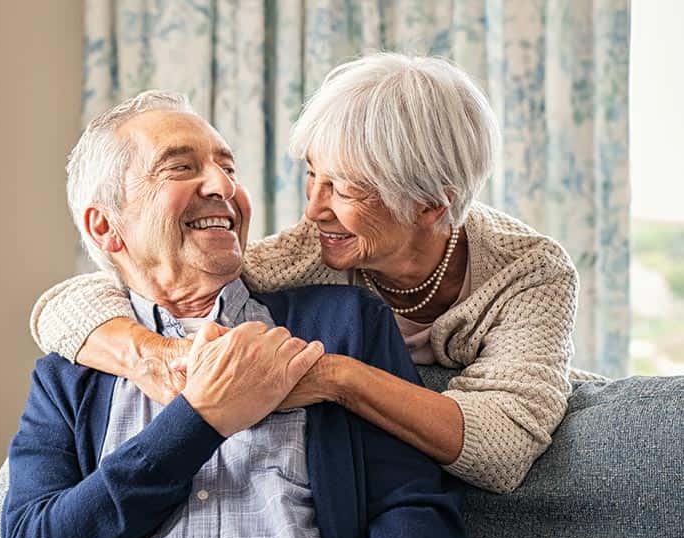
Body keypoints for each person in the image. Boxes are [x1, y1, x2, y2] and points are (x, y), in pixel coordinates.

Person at [2, 91, 464, 538]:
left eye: (228, 167)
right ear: (107, 226)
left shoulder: (340, 325)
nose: (222, 185)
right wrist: (200, 421)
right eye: (181, 167)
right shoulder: (69, 373)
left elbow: (417, 520)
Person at [30, 52, 578, 494]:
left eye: (343, 188)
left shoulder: (529, 273)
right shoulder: (310, 250)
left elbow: (502, 450)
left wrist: (335, 378)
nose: (314, 208)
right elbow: (73, 302)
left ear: (430, 205)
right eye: (313, 176)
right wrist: (154, 356)